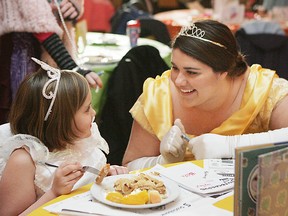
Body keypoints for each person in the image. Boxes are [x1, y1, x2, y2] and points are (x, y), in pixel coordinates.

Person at [122, 19, 288, 171]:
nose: (178, 81)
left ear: (224, 71)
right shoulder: (157, 97)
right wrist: (163, 162)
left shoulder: (263, 90)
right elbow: (128, 167)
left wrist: (230, 146)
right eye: (175, 68)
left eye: (192, 72)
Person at [0, 59, 128, 215]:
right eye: (87, 109)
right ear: (61, 120)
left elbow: (88, 184)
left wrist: (108, 177)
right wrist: (54, 193)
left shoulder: (81, 139)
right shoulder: (25, 161)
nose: (94, 114)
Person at [0, 0, 102, 124]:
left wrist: (72, 8)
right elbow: (38, 22)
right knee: (26, 116)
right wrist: (72, 68)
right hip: (22, 53)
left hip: (57, 47)